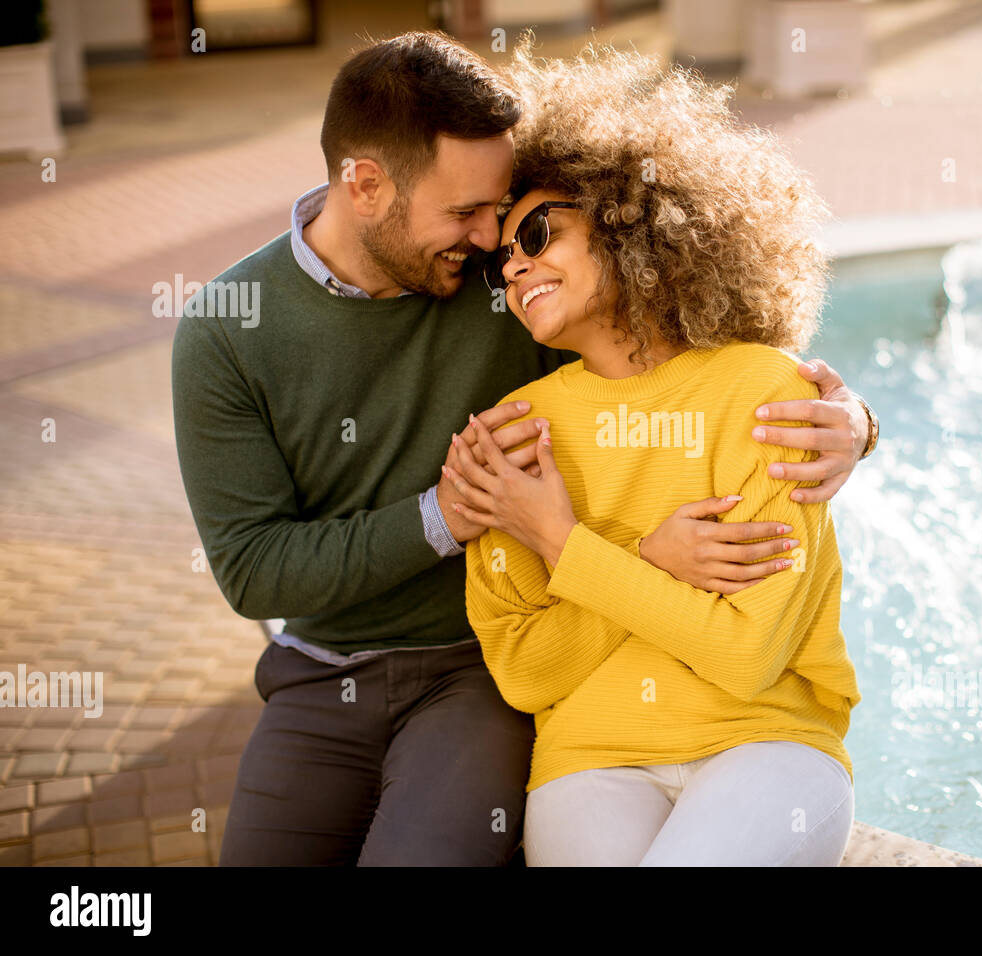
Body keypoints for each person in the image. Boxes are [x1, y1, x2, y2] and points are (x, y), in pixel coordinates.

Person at [171, 30, 877, 867]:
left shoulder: (519, 291)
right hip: (326, 669)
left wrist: (859, 423)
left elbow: (663, 351)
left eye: (514, 223)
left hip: (474, 678)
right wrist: (455, 513)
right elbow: (255, 572)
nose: (492, 252)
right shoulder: (230, 329)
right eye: (473, 218)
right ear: (365, 186)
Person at [448, 43, 864, 866]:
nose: (519, 261)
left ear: (625, 216)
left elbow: (745, 657)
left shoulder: (763, 393)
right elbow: (528, 673)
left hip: (767, 743)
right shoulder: (515, 432)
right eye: (506, 255)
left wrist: (567, 547)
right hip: (590, 761)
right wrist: (652, 559)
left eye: (540, 230)